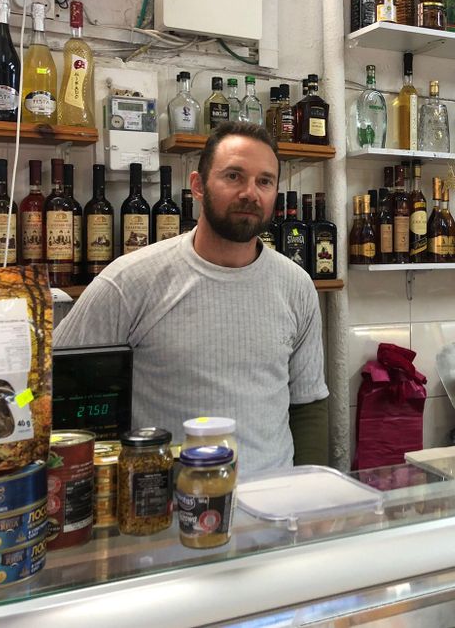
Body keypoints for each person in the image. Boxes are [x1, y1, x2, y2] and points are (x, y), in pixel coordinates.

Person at [54, 121, 329, 473]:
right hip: (165, 512)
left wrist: (311, 501)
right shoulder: (130, 281)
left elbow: (307, 405)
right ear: (197, 187)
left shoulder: (296, 285)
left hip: (272, 505)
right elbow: (51, 383)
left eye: (264, 181)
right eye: (233, 176)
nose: (250, 192)